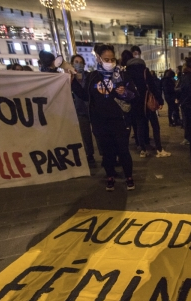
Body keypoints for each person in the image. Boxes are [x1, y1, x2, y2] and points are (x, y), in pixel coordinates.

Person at [71, 44, 138, 191]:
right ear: (99, 59)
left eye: (112, 59)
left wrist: (124, 92)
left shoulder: (122, 75)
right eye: (106, 59)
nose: (110, 62)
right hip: (100, 122)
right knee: (107, 152)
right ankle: (110, 177)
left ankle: (129, 177)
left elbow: (134, 95)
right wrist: (73, 83)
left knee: (123, 150)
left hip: (120, 120)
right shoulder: (92, 76)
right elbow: (84, 96)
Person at [122, 49, 170, 158]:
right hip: (147, 103)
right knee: (155, 126)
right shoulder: (144, 70)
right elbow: (152, 86)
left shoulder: (126, 72)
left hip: (135, 103)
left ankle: (142, 149)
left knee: (140, 126)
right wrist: (160, 100)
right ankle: (159, 149)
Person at [70, 54, 96, 167]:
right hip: (79, 110)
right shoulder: (69, 79)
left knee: (98, 133)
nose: (79, 64)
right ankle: (89, 155)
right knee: (85, 135)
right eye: (76, 61)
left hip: (92, 109)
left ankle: (105, 154)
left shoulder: (89, 76)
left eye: (81, 62)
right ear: (72, 64)